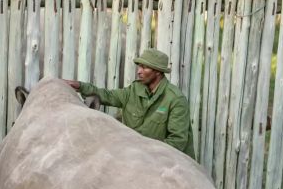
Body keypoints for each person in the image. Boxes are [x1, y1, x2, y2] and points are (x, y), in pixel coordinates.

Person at [64, 48, 196, 159]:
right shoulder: (134, 90)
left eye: (145, 67)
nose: (139, 71)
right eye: (139, 66)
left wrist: (145, 151)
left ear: (157, 72)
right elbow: (107, 95)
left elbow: (177, 141)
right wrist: (80, 86)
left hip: (168, 164)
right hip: (136, 158)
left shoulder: (175, 99)